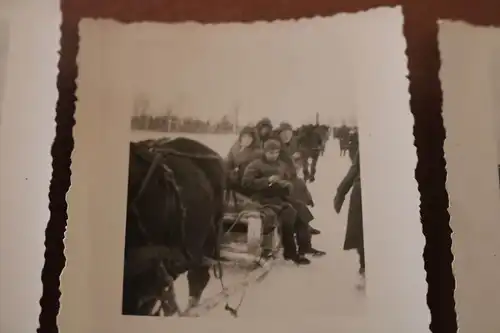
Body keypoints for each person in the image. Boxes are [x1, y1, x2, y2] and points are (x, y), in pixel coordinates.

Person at [242, 139, 316, 265]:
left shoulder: (281, 165)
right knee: (289, 215)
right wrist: (267, 181)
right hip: (262, 198)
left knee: (302, 211)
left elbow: (288, 179)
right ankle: (291, 252)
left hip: (279, 197)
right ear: (264, 152)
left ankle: (305, 246)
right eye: (271, 152)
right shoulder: (255, 165)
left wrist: (287, 185)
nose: (274, 155)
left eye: (276, 152)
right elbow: (246, 183)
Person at [275, 122, 322, 236]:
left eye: (289, 133)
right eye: (284, 133)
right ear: (279, 134)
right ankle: (302, 224)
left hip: (289, 175)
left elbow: (300, 153)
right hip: (279, 177)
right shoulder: (276, 145)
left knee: (300, 185)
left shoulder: (292, 144)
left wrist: (299, 155)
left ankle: (304, 224)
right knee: (294, 190)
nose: (286, 136)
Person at [333, 150, 365, 290]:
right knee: (361, 232)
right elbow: (355, 170)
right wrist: (340, 193)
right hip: (363, 192)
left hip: (384, 191)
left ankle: (365, 268)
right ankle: (364, 268)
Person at [225, 126, 262, 192]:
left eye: (249, 137)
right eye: (244, 137)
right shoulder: (235, 148)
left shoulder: (257, 152)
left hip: (246, 182)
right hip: (233, 178)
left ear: (253, 139)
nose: (246, 139)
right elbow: (228, 162)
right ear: (241, 137)